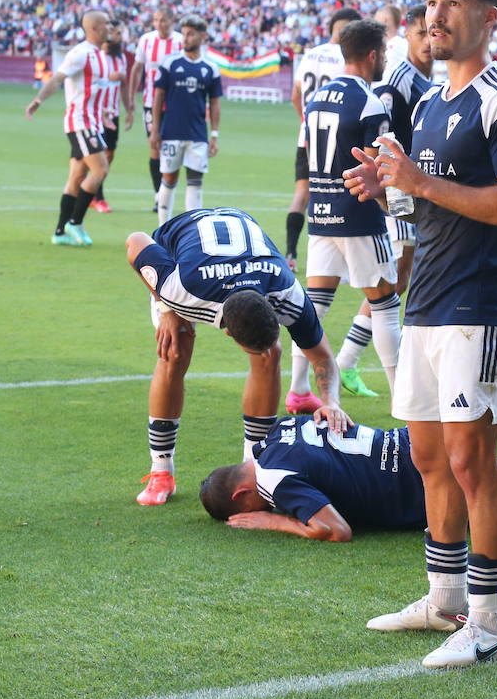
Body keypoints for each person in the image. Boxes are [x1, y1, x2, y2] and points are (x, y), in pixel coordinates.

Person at [344, 0, 497, 669]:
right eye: (430, 3)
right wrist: (390, 187)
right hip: (426, 300)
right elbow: (431, 200)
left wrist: (422, 181)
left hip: (480, 308)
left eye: (454, 3)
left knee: (470, 460)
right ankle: (445, 601)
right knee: (430, 458)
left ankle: (490, 624)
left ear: (490, 17)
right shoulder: (430, 103)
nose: (436, 16)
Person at [125, 207, 349, 506]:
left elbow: (322, 357)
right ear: (228, 333)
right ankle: (161, 470)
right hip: (180, 251)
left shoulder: (287, 292)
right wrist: (165, 305)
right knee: (174, 349)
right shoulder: (183, 290)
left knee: (270, 357)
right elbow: (136, 241)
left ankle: (254, 462)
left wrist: (331, 401)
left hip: (245, 252)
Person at [288, 18, 401, 416]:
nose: (385, 58)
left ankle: (298, 388)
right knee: (386, 304)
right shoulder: (371, 102)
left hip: (320, 215)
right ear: (373, 55)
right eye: (384, 52)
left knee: (314, 305)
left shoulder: (316, 97)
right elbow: (378, 166)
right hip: (359, 215)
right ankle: (401, 396)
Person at [335, 3, 435, 399]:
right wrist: (391, 192)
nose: (428, 41)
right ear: (406, 35)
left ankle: (347, 360)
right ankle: (351, 362)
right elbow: (383, 141)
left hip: (412, 191)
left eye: (432, 33)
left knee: (395, 282)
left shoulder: (424, 80)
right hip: (398, 193)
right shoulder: (398, 81)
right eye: (420, 34)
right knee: (390, 284)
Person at [200, 417, 425, 541]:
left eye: (249, 513)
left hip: (420, 482)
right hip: (415, 436)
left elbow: (337, 530)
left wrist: (274, 522)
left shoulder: (272, 477)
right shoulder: (282, 427)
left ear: (240, 493)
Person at [25, 8, 112, 248]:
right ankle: (76, 221)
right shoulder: (80, 54)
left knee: (76, 176)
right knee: (100, 170)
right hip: (80, 122)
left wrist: (104, 114)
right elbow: (57, 79)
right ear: (93, 28)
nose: (110, 27)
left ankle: (60, 232)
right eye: (106, 24)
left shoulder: (100, 55)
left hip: (93, 121)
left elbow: (93, 90)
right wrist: (38, 100)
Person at [287, 7, 362, 272]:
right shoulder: (346, 59)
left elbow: (295, 95)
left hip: (307, 136)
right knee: (342, 192)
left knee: (302, 195)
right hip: (336, 137)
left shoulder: (310, 54)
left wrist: (307, 122)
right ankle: (341, 260)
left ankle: (291, 253)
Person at [151, 15, 222, 224]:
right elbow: (158, 97)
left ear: (203, 36)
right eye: (184, 34)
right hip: (171, 131)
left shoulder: (210, 68)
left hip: (198, 134)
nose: (186, 38)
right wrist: (156, 129)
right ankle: (163, 229)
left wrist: (214, 134)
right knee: (169, 178)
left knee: (195, 182)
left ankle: (193, 232)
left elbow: (215, 103)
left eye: (191, 34)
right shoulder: (170, 63)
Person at [130, 7, 180, 205]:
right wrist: (132, 96)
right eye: (156, 20)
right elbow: (137, 68)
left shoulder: (180, 41)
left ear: (171, 20)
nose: (160, 24)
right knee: (154, 146)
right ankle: (158, 196)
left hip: (176, 105)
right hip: (151, 104)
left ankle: (167, 194)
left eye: (164, 20)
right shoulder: (146, 40)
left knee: (172, 150)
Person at [91, 15, 134, 214]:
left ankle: (92, 192)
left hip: (113, 112)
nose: (119, 37)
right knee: (97, 157)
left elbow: (123, 86)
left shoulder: (122, 58)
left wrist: (129, 108)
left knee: (109, 155)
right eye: (117, 33)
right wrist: (108, 77)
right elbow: (89, 81)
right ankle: (97, 196)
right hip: (95, 114)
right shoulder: (97, 55)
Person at [376, 3, 409, 72]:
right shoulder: (399, 43)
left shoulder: (396, 44)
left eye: (376, 19)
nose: (374, 23)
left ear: (384, 20)